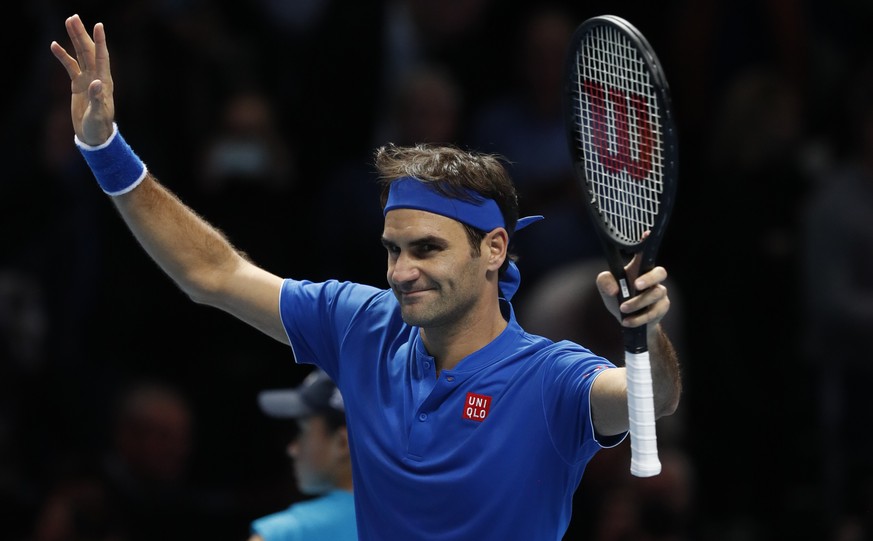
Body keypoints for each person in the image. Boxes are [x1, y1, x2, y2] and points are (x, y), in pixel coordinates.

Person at [50, 14, 681, 541]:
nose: (402, 272)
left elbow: (648, 396)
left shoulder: (552, 378)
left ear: (493, 250)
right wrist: (106, 151)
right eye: (393, 249)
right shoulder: (362, 323)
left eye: (427, 249)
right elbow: (211, 273)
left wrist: (647, 333)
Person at [248, 368, 356, 541]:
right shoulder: (410, 517)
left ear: (342, 443)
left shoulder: (284, 533)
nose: (292, 449)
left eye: (302, 430)